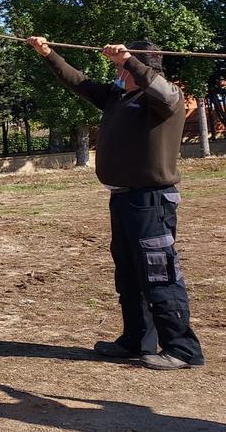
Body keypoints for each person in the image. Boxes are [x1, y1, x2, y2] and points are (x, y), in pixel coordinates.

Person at [28, 36, 204, 370]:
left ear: (140, 68)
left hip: (151, 200)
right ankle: (136, 340)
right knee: (129, 274)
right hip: (123, 198)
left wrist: (128, 60)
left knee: (158, 272)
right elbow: (79, 81)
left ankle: (182, 349)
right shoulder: (116, 97)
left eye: (123, 70)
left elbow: (162, 90)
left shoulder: (166, 98)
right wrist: (48, 53)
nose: (118, 75)